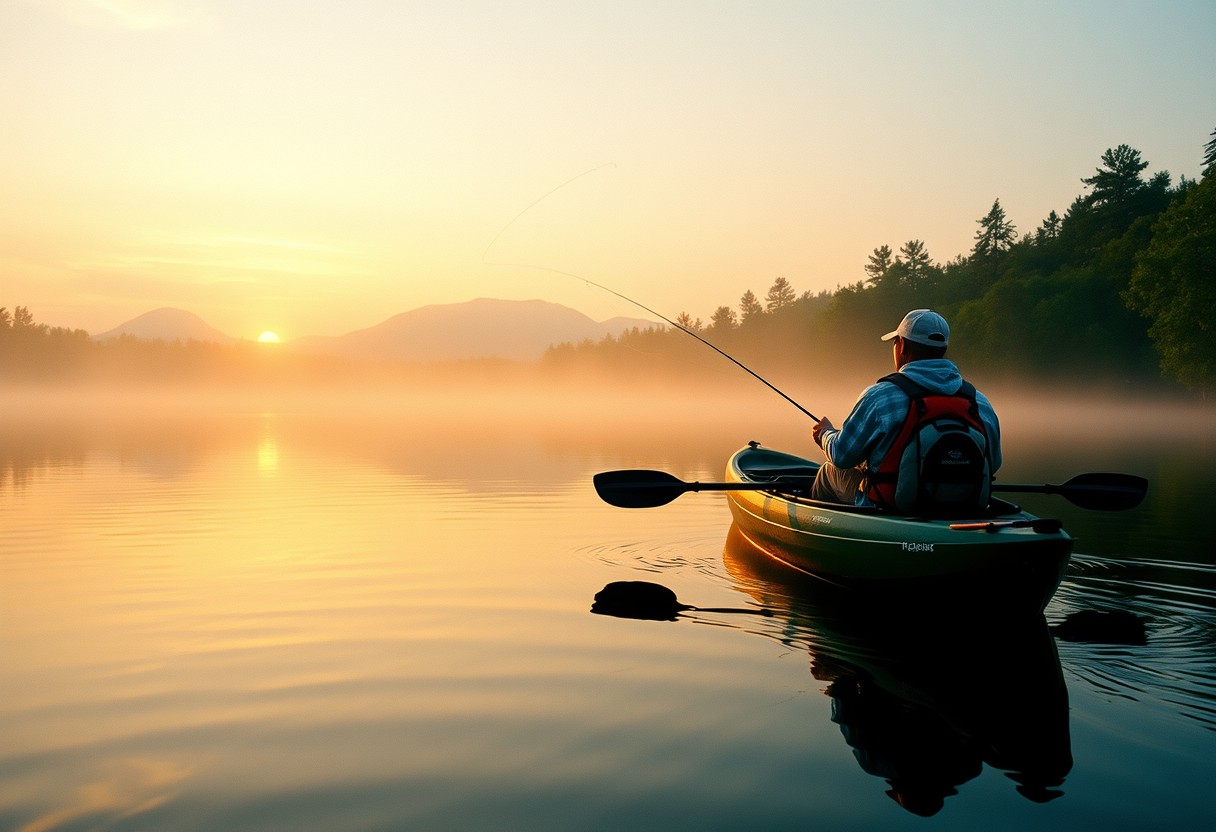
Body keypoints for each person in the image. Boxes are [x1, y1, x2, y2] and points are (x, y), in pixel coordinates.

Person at [810, 309, 1001, 508]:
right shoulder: (979, 402)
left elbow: (842, 455)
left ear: (902, 346)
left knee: (828, 471)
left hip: (890, 509)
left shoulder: (880, 397)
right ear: (943, 348)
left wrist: (826, 434)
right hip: (965, 509)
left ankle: (818, 534)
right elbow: (993, 463)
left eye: (895, 342)